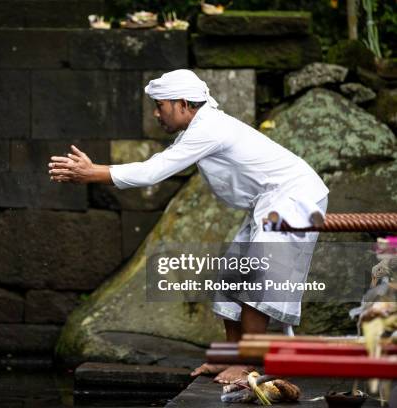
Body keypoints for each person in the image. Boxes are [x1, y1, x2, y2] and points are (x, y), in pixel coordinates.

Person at [47, 69, 329, 384]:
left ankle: (250, 365)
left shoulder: (208, 127)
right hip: (271, 200)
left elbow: (153, 171)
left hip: (294, 196)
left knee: (255, 278)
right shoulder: (202, 126)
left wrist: (94, 171)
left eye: (160, 106)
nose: (156, 114)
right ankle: (230, 359)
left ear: (183, 104)